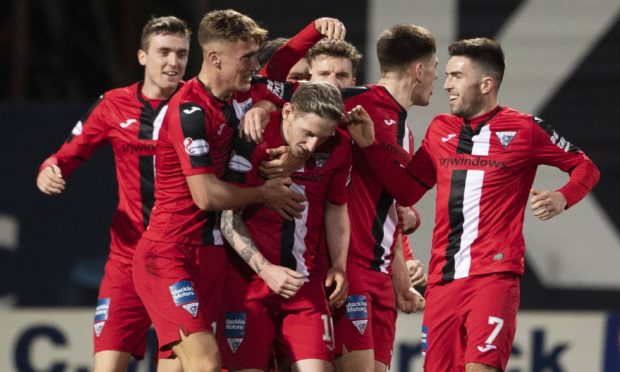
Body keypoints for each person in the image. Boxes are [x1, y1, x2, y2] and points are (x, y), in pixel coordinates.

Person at [346, 37, 600, 372]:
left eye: (456, 77)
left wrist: (562, 197)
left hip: (493, 277)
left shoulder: (524, 129)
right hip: (442, 282)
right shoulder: (440, 130)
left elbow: (586, 167)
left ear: (486, 84)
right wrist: (369, 147)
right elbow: (406, 191)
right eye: (447, 74)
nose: (446, 84)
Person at [131, 9, 305, 372]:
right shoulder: (189, 110)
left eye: (256, 56)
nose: (255, 65)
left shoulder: (239, 94)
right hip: (170, 254)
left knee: (177, 367)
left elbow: (298, 91)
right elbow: (206, 196)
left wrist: (266, 103)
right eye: (246, 57)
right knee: (208, 363)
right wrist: (264, 194)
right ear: (214, 58)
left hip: (211, 257)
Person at [36, 16, 191, 372]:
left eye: (181, 53)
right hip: (126, 259)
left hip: (179, 260)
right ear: (142, 56)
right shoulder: (112, 105)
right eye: (164, 52)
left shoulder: (197, 102)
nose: (173, 62)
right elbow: (63, 157)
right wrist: (48, 172)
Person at [218, 82, 351, 372]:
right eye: (308, 133)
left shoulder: (339, 145)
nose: (313, 146)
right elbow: (227, 217)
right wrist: (266, 269)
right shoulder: (252, 136)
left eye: (323, 137)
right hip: (248, 285)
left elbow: (337, 206)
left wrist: (339, 265)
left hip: (304, 284)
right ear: (288, 112)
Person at [332, 24, 438, 372]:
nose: (438, 79)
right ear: (419, 70)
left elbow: (392, 201)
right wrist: (261, 110)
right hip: (351, 269)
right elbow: (288, 106)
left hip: (381, 276)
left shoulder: (405, 131)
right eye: (436, 68)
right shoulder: (353, 103)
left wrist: (401, 279)